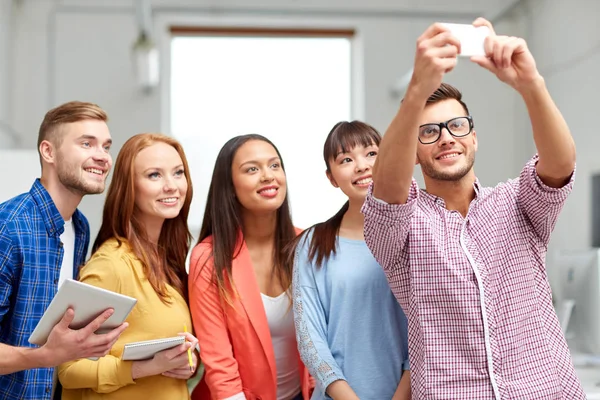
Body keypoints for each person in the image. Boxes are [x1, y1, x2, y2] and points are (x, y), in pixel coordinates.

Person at [361, 18, 585, 399]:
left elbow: (560, 165)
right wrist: (416, 91)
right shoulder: (403, 232)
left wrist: (530, 85)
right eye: (429, 132)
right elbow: (386, 195)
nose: (446, 138)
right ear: (413, 153)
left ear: (474, 137)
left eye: (457, 126)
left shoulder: (516, 204)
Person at [0, 101, 128, 400]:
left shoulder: (79, 227)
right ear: (49, 152)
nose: (102, 157)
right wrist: (46, 355)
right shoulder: (9, 229)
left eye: (106, 146)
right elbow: (49, 352)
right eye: (87, 143)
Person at [58, 133, 199, 399]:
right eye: (154, 175)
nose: (171, 185)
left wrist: (187, 362)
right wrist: (144, 367)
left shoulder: (169, 263)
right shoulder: (111, 264)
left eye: (178, 173)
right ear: (130, 187)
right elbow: (68, 368)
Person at [291, 121, 410, 400]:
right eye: (346, 159)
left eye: (371, 154)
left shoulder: (416, 234)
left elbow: (428, 329)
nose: (361, 166)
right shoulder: (312, 244)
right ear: (331, 177)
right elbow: (310, 340)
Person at [189, 134, 312, 400]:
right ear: (230, 186)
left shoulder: (306, 246)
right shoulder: (208, 258)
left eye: (274, 165)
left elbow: (320, 344)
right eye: (252, 169)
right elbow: (220, 365)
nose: (268, 176)